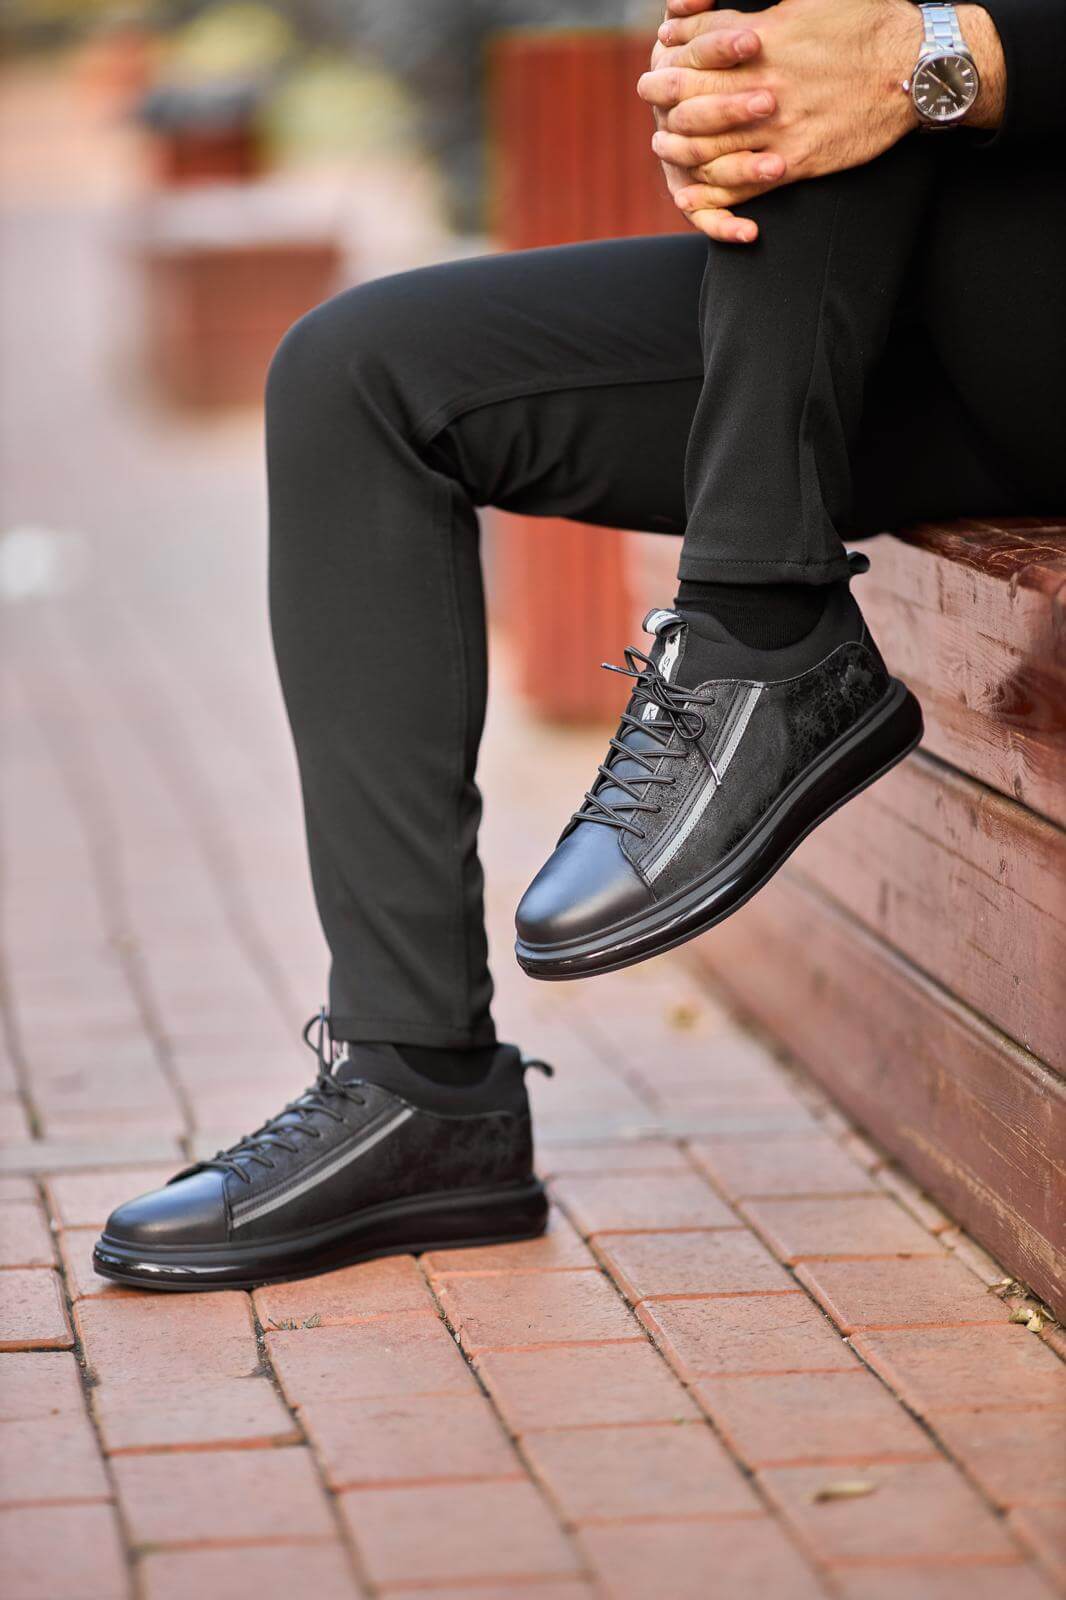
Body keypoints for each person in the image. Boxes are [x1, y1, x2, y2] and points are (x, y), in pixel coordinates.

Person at [94, 0, 1064, 1289]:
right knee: (358, 376)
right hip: (910, 297)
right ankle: (420, 1090)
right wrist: (733, 91)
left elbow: (921, 50)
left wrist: (945, 60)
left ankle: (761, 622)